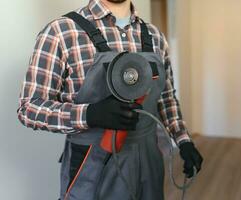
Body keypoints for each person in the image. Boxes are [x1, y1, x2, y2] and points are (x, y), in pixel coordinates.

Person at [17, 0, 203, 199]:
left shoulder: (155, 36)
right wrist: (90, 114)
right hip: (93, 165)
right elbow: (29, 108)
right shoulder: (61, 32)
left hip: (149, 162)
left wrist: (183, 141)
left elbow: (165, 98)